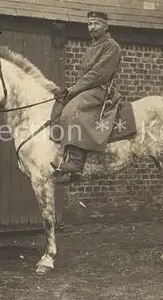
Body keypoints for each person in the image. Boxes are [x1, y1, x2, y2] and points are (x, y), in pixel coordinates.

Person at [51, 11, 122, 181]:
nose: (92, 28)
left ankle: (76, 162)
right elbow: (86, 76)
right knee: (60, 103)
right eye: (89, 24)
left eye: (96, 24)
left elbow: (98, 74)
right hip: (88, 88)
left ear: (105, 26)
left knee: (74, 109)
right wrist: (70, 90)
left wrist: (75, 89)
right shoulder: (92, 47)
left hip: (102, 89)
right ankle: (63, 153)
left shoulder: (111, 46)